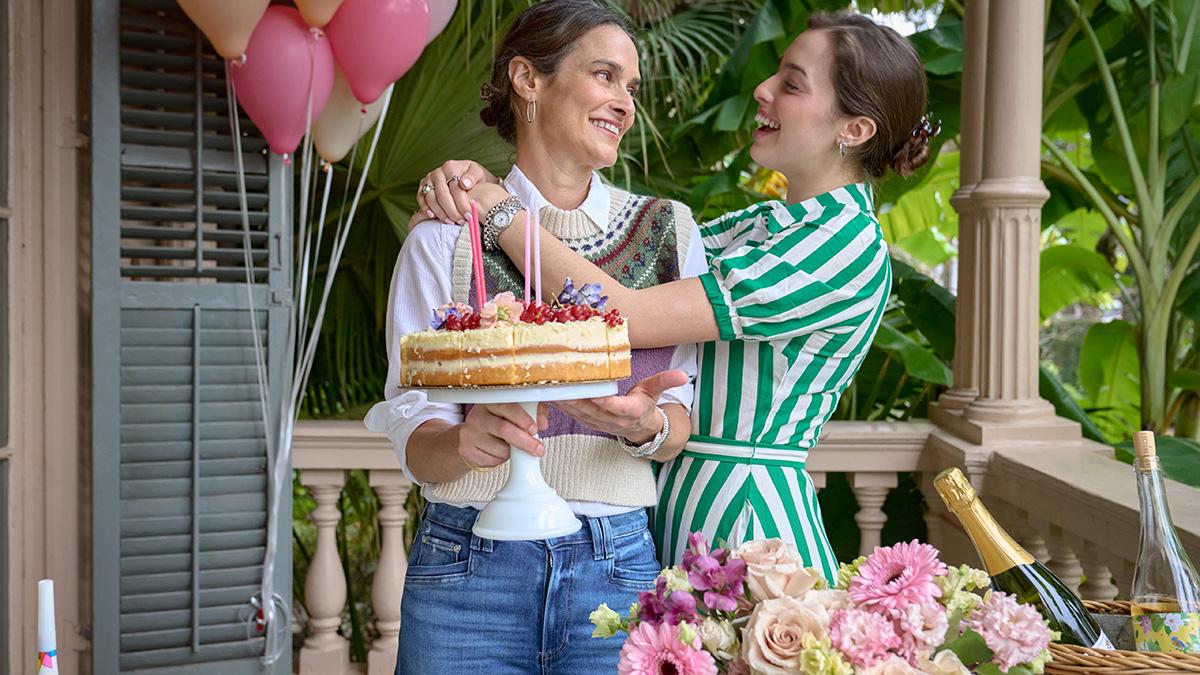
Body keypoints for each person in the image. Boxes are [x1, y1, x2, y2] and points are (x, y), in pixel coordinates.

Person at [423, 11, 934, 582]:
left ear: (855, 130)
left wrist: (497, 210)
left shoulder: (838, 245)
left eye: (792, 84)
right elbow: (615, 255)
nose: (762, 90)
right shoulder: (767, 223)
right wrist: (468, 184)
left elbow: (623, 312)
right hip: (668, 512)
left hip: (746, 527)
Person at [364, 1, 706, 672]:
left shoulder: (671, 232)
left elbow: (679, 417)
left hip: (617, 566)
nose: (624, 103)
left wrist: (643, 427)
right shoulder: (443, 236)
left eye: (630, 87)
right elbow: (414, 434)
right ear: (527, 79)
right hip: (467, 569)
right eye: (605, 75)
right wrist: (462, 443)